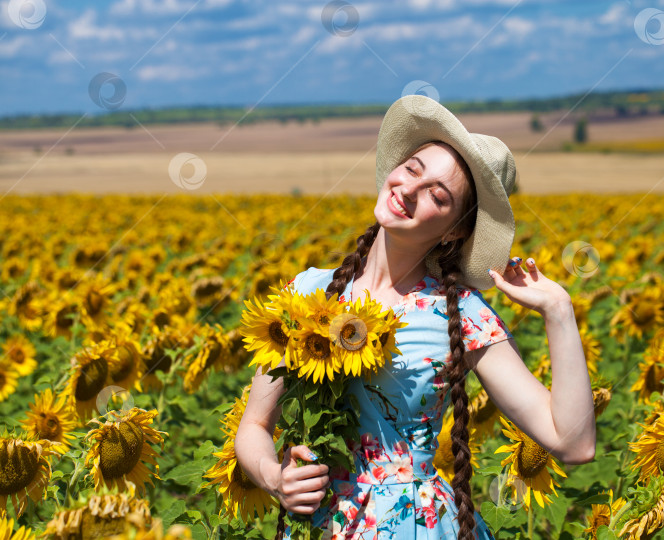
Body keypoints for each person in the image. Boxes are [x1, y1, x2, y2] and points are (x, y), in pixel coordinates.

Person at [233, 94, 596, 539]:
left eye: (437, 195)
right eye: (412, 169)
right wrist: (274, 478)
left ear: (455, 230)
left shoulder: (461, 314)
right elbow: (253, 426)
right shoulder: (307, 291)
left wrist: (558, 311)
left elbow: (573, 442)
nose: (408, 190)